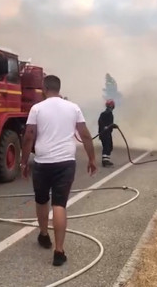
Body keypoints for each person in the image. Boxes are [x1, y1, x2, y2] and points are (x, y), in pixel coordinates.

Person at [20, 75, 97, 266]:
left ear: (44, 89)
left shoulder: (37, 108)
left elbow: (29, 136)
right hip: (65, 162)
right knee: (59, 204)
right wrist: (92, 159)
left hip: (43, 161)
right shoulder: (73, 108)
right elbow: (85, 135)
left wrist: (23, 162)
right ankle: (59, 251)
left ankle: (44, 235)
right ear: (59, 89)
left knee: (42, 199)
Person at [98, 99, 116, 167]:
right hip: (105, 133)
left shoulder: (108, 113)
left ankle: (106, 160)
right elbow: (101, 123)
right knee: (107, 146)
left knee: (109, 146)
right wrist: (105, 127)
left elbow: (109, 124)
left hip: (106, 133)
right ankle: (105, 161)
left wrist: (113, 126)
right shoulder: (106, 113)